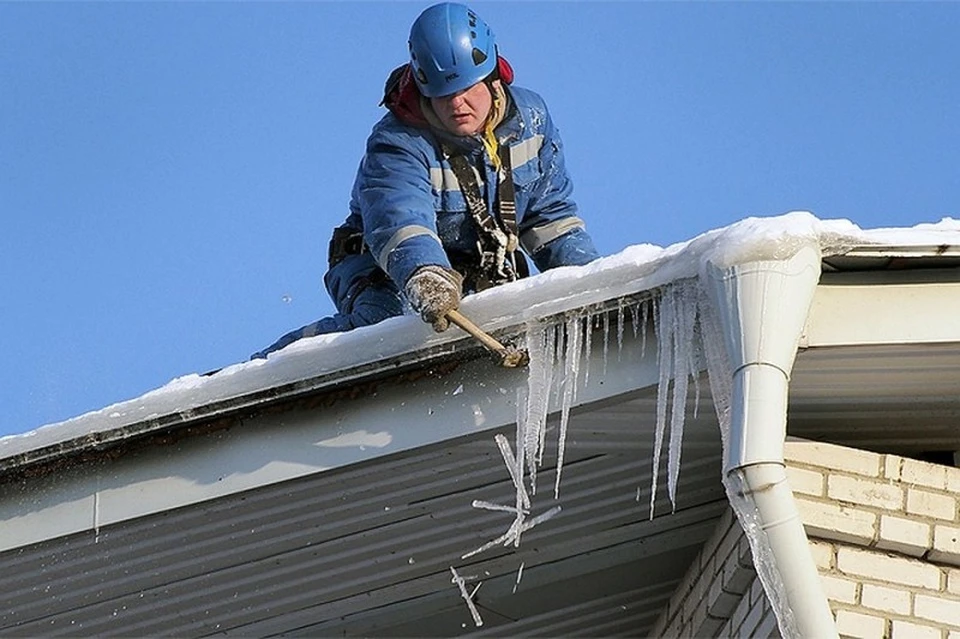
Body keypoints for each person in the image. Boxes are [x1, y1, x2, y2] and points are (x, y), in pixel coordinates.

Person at [251, 2, 600, 359]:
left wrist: (595, 287)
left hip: (474, 269)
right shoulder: (397, 143)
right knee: (386, 328)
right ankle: (266, 370)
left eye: (466, 89)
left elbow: (551, 219)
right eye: (443, 94)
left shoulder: (532, 120)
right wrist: (424, 272)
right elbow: (400, 221)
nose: (457, 104)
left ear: (492, 75)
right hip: (382, 267)